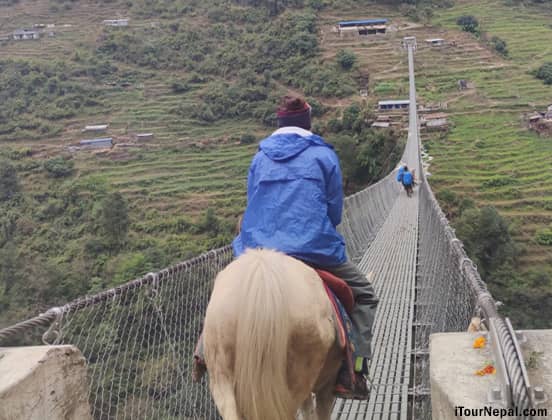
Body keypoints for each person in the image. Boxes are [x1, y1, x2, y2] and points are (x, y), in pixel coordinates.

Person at [233, 95, 379, 399]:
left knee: (228, 290)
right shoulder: (324, 156)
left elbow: (252, 204)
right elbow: (334, 212)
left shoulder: (259, 158)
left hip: (258, 249)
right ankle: (356, 371)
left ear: (279, 124)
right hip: (313, 247)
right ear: (307, 123)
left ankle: (206, 351)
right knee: (364, 296)